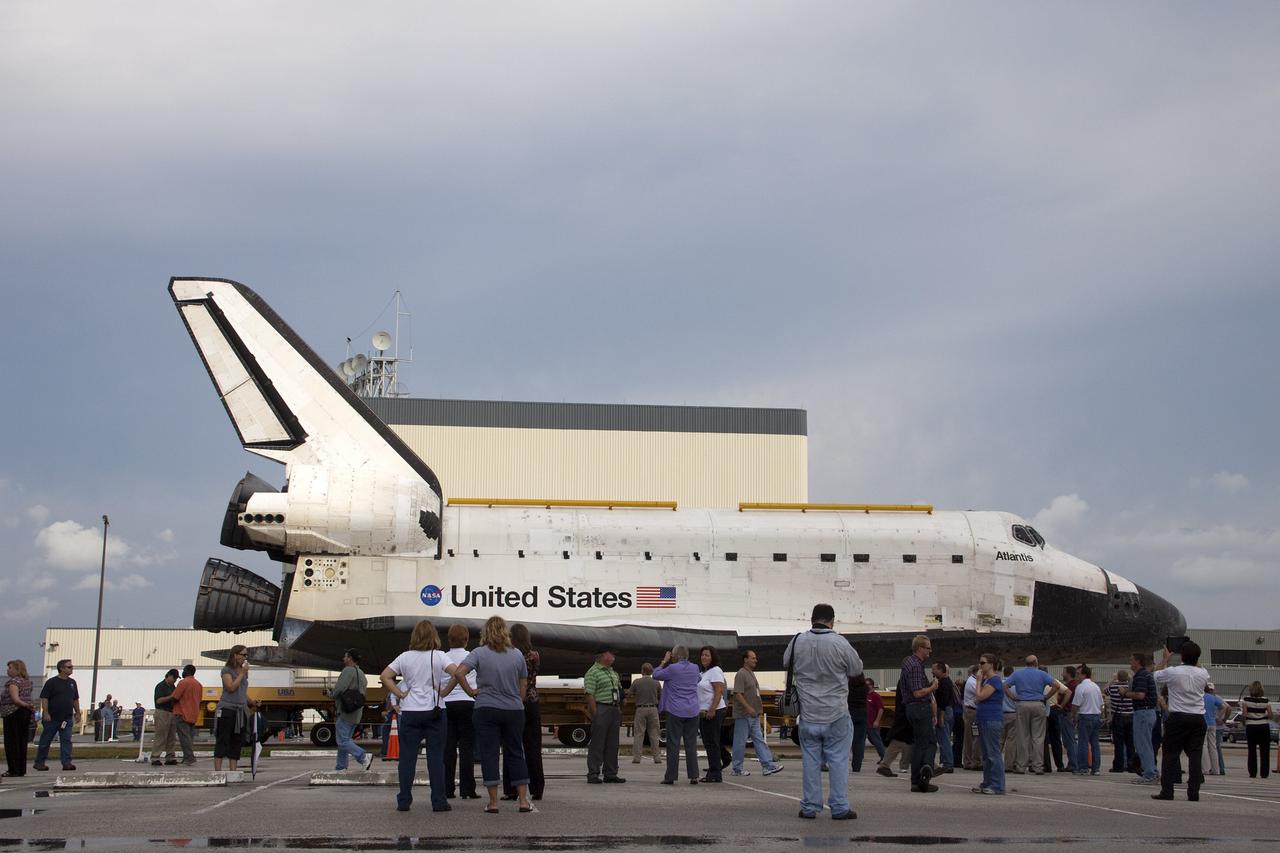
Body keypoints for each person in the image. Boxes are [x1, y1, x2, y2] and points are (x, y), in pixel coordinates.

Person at [441, 615, 534, 814]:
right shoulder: (517, 654)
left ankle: (493, 803)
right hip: (513, 709)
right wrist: (518, 700)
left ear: (486, 632)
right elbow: (523, 682)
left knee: (490, 754)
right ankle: (523, 801)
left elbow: (459, 673)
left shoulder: (479, 653)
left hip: (486, 708)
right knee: (516, 753)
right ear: (504, 632)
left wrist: (471, 691)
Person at [783, 603, 862, 820]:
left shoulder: (797, 641)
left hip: (808, 715)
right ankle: (839, 807)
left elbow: (785, 662)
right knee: (838, 761)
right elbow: (856, 669)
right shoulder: (839, 642)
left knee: (810, 761)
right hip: (836, 712)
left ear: (812, 619)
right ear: (832, 620)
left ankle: (809, 806)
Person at [382, 620, 457, 812]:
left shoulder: (405, 657)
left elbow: (385, 676)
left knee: (407, 757)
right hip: (435, 711)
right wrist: (445, 691)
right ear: (434, 636)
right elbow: (458, 673)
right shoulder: (440, 656)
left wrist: (399, 694)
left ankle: (404, 800)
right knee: (435, 757)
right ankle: (439, 801)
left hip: (410, 711)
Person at [1150, 641, 1210, 801]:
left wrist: (1165, 659)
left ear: (1181, 656)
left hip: (1178, 716)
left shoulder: (1173, 672)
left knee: (1170, 754)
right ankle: (1193, 792)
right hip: (1198, 717)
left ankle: (1167, 791)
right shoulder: (1203, 673)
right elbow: (1198, 666)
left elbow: (1154, 675)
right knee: (1195, 755)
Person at [1003, 655, 1065, 775]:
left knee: (1022, 736)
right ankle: (1037, 766)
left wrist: (1013, 697)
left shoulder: (1018, 674)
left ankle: (1021, 766)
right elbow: (1056, 686)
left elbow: (1005, 686)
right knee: (1038, 737)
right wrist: (1046, 697)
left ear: (1025, 663)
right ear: (1036, 663)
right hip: (1038, 704)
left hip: (1022, 704)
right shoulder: (1042, 674)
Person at [504, 623, 544, 802]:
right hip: (533, 702)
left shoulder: (511, 656)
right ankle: (537, 787)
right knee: (533, 747)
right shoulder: (534, 655)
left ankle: (511, 788)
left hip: (514, 701)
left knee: (512, 746)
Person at [730, 649, 783, 777]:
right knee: (740, 741)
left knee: (759, 740)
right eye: (753, 658)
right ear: (745, 659)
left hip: (753, 715)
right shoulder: (741, 674)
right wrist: (748, 708)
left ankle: (767, 766)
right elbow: (738, 694)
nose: (755, 660)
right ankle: (737, 768)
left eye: (755, 658)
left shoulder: (751, 674)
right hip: (744, 715)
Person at [654, 645, 701, 785]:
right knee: (691, 744)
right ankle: (694, 776)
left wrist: (664, 661)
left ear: (674, 656)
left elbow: (655, 675)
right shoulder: (695, 668)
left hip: (675, 710)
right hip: (692, 710)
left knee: (673, 744)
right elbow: (697, 679)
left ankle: (671, 776)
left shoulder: (672, 668)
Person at [442, 623, 478, 797]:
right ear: (467, 639)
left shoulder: (442, 657)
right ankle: (467, 789)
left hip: (447, 703)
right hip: (468, 702)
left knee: (448, 748)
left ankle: (447, 788)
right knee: (467, 748)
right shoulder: (472, 657)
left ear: (449, 639)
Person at [900, 635, 939, 793]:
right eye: (928, 647)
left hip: (911, 708)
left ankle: (916, 780)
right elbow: (917, 693)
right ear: (920, 648)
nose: (930, 651)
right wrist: (932, 687)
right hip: (919, 707)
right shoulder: (916, 665)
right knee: (929, 744)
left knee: (918, 744)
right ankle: (925, 770)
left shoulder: (908, 662)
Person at [584, 647, 625, 785]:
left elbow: (618, 689)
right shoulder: (592, 672)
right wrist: (595, 713)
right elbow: (589, 694)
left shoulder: (612, 672)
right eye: (611, 653)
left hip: (614, 708)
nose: (613, 656)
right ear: (603, 656)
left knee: (613, 743)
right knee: (597, 743)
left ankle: (610, 773)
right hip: (601, 707)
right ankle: (593, 773)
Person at [331, 648, 374, 772]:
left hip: (346, 711)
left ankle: (363, 756)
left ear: (350, 658)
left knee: (342, 740)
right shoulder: (361, 673)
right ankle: (341, 767)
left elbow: (339, 689)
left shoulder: (348, 671)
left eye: (345, 656)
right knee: (344, 740)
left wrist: (332, 694)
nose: (343, 659)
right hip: (356, 711)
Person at [33, 659, 80, 772]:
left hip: (66, 718)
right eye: (69, 667)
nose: (71, 668)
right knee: (45, 741)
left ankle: (66, 763)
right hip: (52, 718)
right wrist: (46, 712)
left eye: (71, 666)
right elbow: (44, 698)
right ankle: (39, 762)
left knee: (66, 741)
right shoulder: (52, 682)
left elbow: (75, 699)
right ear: (62, 669)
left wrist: (77, 712)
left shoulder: (72, 683)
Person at [214, 646, 255, 771]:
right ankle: (218, 771)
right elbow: (231, 687)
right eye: (243, 654)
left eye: (246, 655)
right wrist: (242, 673)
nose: (244, 657)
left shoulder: (244, 672)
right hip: (227, 709)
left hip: (240, 709)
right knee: (223, 739)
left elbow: (242, 690)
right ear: (235, 655)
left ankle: (233, 771)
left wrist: (251, 701)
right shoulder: (227, 670)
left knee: (236, 741)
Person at [1123, 652, 1159, 784]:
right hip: (1147, 712)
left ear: (1138, 661)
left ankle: (1150, 774)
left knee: (1142, 744)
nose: (1129, 662)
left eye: (1131, 660)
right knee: (1146, 744)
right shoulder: (1145, 675)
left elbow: (1140, 695)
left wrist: (1125, 693)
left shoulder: (1141, 676)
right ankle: (1152, 771)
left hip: (1143, 712)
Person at [971, 654, 1005, 795]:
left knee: (992, 753)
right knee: (985, 754)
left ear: (991, 664)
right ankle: (987, 782)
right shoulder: (988, 681)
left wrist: (978, 681)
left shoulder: (995, 680)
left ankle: (997, 785)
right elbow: (977, 699)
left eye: (983, 663)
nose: (980, 666)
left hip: (992, 719)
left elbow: (979, 696)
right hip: (983, 719)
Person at [696, 646, 727, 783]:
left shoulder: (715, 671)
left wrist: (712, 709)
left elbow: (719, 692)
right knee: (710, 740)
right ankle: (725, 758)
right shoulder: (704, 673)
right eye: (702, 655)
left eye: (707, 655)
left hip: (713, 711)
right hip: (703, 712)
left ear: (713, 657)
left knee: (711, 742)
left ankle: (715, 773)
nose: (704, 657)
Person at [2, 660, 35, 777]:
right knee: (21, 741)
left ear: (17, 669)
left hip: (13, 713)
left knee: (12, 742)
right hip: (24, 714)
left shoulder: (13, 682)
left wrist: (25, 705)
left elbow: (15, 699)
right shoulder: (27, 682)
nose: (8, 670)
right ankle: (21, 768)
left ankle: (13, 769)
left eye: (10, 668)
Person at [875, 679, 914, 776]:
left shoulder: (904, 680)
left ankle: (885, 765)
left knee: (900, 740)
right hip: (907, 714)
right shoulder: (909, 680)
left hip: (903, 715)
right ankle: (931, 765)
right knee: (913, 740)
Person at [1070, 664, 1103, 775]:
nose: (1076, 676)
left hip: (1085, 716)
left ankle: (1083, 767)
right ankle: (1096, 767)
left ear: (1084, 674)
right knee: (1095, 743)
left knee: (1083, 743)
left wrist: (1073, 716)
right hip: (1096, 715)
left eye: (1078, 674)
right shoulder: (1096, 686)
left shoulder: (1081, 687)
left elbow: (1075, 705)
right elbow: (1101, 704)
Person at [629, 663, 662, 765]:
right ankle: (657, 757)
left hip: (641, 709)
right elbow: (660, 695)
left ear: (642, 671)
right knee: (654, 734)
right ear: (652, 671)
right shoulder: (656, 683)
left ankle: (637, 758)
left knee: (639, 734)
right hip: (653, 709)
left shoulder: (636, 682)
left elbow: (630, 693)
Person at [170, 665, 202, 765]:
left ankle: (189, 757)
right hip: (193, 713)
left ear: (187, 671)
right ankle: (187, 757)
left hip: (182, 713)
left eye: (184, 670)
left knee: (184, 738)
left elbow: (175, 697)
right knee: (189, 738)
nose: (182, 672)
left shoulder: (183, 682)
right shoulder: (198, 684)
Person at [1241, 680, 1273, 779]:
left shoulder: (1246, 700)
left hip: (1251, 727)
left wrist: (1244, 722)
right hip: (1264, 727)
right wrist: (1263, 716)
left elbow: (1245, 715)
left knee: (1252, 751)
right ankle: (1264, 773)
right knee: (1265, 751)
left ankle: (1253, 772)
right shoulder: (1266, 700)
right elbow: (1270, 715)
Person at [1105, 670, 1134, 773]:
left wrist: (1112, 680)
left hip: (1118, 716)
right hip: (1130, 716)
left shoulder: (1113, 688)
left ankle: (1118, 765)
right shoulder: (1131, 687)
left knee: (1119, 743)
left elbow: (1105, 690)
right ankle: (1131, 765)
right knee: (1130, 743)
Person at [151, 669, 180, 766]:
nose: (175, 680)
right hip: (162, 712)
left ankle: (170, 756)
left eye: (176, 678)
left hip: (172, 712)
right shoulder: (160, 686)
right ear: (168, 676)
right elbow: (159, 701)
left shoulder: (173, 687)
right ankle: (155, 757)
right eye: (174, 677)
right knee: (161, 736)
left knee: (171, 737)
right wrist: (171, 696)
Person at [931, 662, 955, 773]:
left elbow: (943, 702)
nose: (932, 671)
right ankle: (945, 761)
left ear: (941, 670)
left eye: (934, 669)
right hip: (947, 711)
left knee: (944, 739)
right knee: (944, 738)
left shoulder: (944, 683)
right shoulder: (946, 681)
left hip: (944, 711)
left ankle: (948, 764)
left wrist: (940, 716)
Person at [1054, 665, 1079, 772]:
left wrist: (1061, 705)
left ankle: (1073, 763)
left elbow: (1064, 696)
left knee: (1069, 739)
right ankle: (1073, 762)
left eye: (1063, 672)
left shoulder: (1070, 686)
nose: (1062, 674)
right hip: (1069, 714)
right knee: (1070, 739)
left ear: (1068, 673)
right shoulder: (1075, 685)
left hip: (1066, 714)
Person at [961, 665, 982, 770]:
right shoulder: (973, 682)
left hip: (973, 711)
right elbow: (981, 694)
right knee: (971, 738)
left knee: (974, 737)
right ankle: (969, 762)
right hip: (972, 711)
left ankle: (972, 761)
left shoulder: (972, 680)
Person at [1202, 682, 1225, 776]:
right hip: (1213, 723)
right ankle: (1216, 769)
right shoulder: (1213, 697)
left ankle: (1205, 769)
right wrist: (1218, 717)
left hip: (1203, 723)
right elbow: (1224, 707)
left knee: (1204, 746)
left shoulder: (1200, 697)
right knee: (1213, 746)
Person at [847, 672, 868, 773]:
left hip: (850, 713)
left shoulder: (848, 687)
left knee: (845, 740)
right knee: (859, 742)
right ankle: (857, 766)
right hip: (862, 714)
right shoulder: (865, 688)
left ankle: (841, 763)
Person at [865, 678, 887, 761]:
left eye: (867, 685)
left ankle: (883, 757)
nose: (866, 687)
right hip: (864, 723)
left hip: (872, 724)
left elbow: (881, 709)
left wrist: (877, 721)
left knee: (877, 742)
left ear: (871, 685)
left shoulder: (876, 696)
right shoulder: (864, 696)